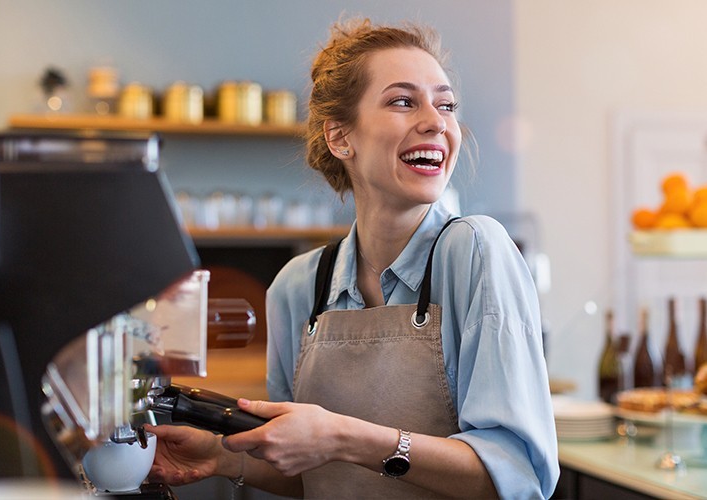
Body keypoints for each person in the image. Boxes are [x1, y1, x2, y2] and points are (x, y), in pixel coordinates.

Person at [146, 17, 559, 499]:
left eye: (445, 104)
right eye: (404, 101)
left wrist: (343, 437)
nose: (437, 122)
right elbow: (306, 468)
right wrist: (221, 456)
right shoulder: (297, 286)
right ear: (341, 138)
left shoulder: (475, 251)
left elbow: (516, 475)